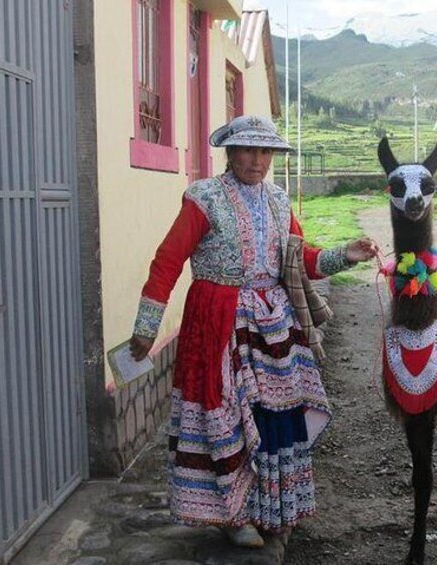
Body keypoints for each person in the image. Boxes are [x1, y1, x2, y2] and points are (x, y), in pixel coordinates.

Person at [129, 115, 377, 559]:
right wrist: (147, 327)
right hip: (218, 324)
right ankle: (233, 515)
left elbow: (303, 262)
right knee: (225, 415)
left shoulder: (280, 203)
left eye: (265, 153)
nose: (257, 161)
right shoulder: (204, 199)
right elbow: (167, 262)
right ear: (231, 152)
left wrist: (348, 255)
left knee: (272, 416)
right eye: (248, 150)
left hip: (273, 327)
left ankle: (269, 508)